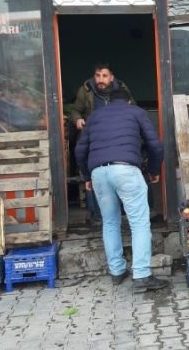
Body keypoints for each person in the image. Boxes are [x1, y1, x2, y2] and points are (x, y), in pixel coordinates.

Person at [74, 89, 168, 292]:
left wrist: (86, 176)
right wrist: (153, 170)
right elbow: (155, 145)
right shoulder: (136, 112)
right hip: (125, 169)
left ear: (109, 101)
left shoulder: (95, 116)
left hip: (99, 172)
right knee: (139, 223)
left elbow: (80, 149)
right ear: (128, 100)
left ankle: (117, 271)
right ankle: (142, 275)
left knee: (109, 222)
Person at [70, 63, 133, 223]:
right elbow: (75, 110)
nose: (100, 79)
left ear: (111, 78)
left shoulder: (121, 89)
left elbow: (134, 108)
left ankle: (121, 214)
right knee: (91, 174)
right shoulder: (85, 90)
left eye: (104, 76)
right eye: (97, 75)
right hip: (93, 138)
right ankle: (95, 215)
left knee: (118, 175)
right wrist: (77, 119)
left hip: (116, 138)